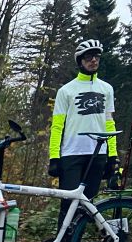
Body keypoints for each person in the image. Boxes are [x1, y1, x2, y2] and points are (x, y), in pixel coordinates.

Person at [48, 39, 119, 225]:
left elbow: (109, 123)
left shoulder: (107, 89)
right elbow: (57, 126)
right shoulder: (66, 91)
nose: (93, 60)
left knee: (88, 206)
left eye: (96, 56)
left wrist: (113, 155)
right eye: (88, 57)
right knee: (68, 204)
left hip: (98, 153)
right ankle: (62, 241)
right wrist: (54, 157)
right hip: (71, 153)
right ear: (80, 61)